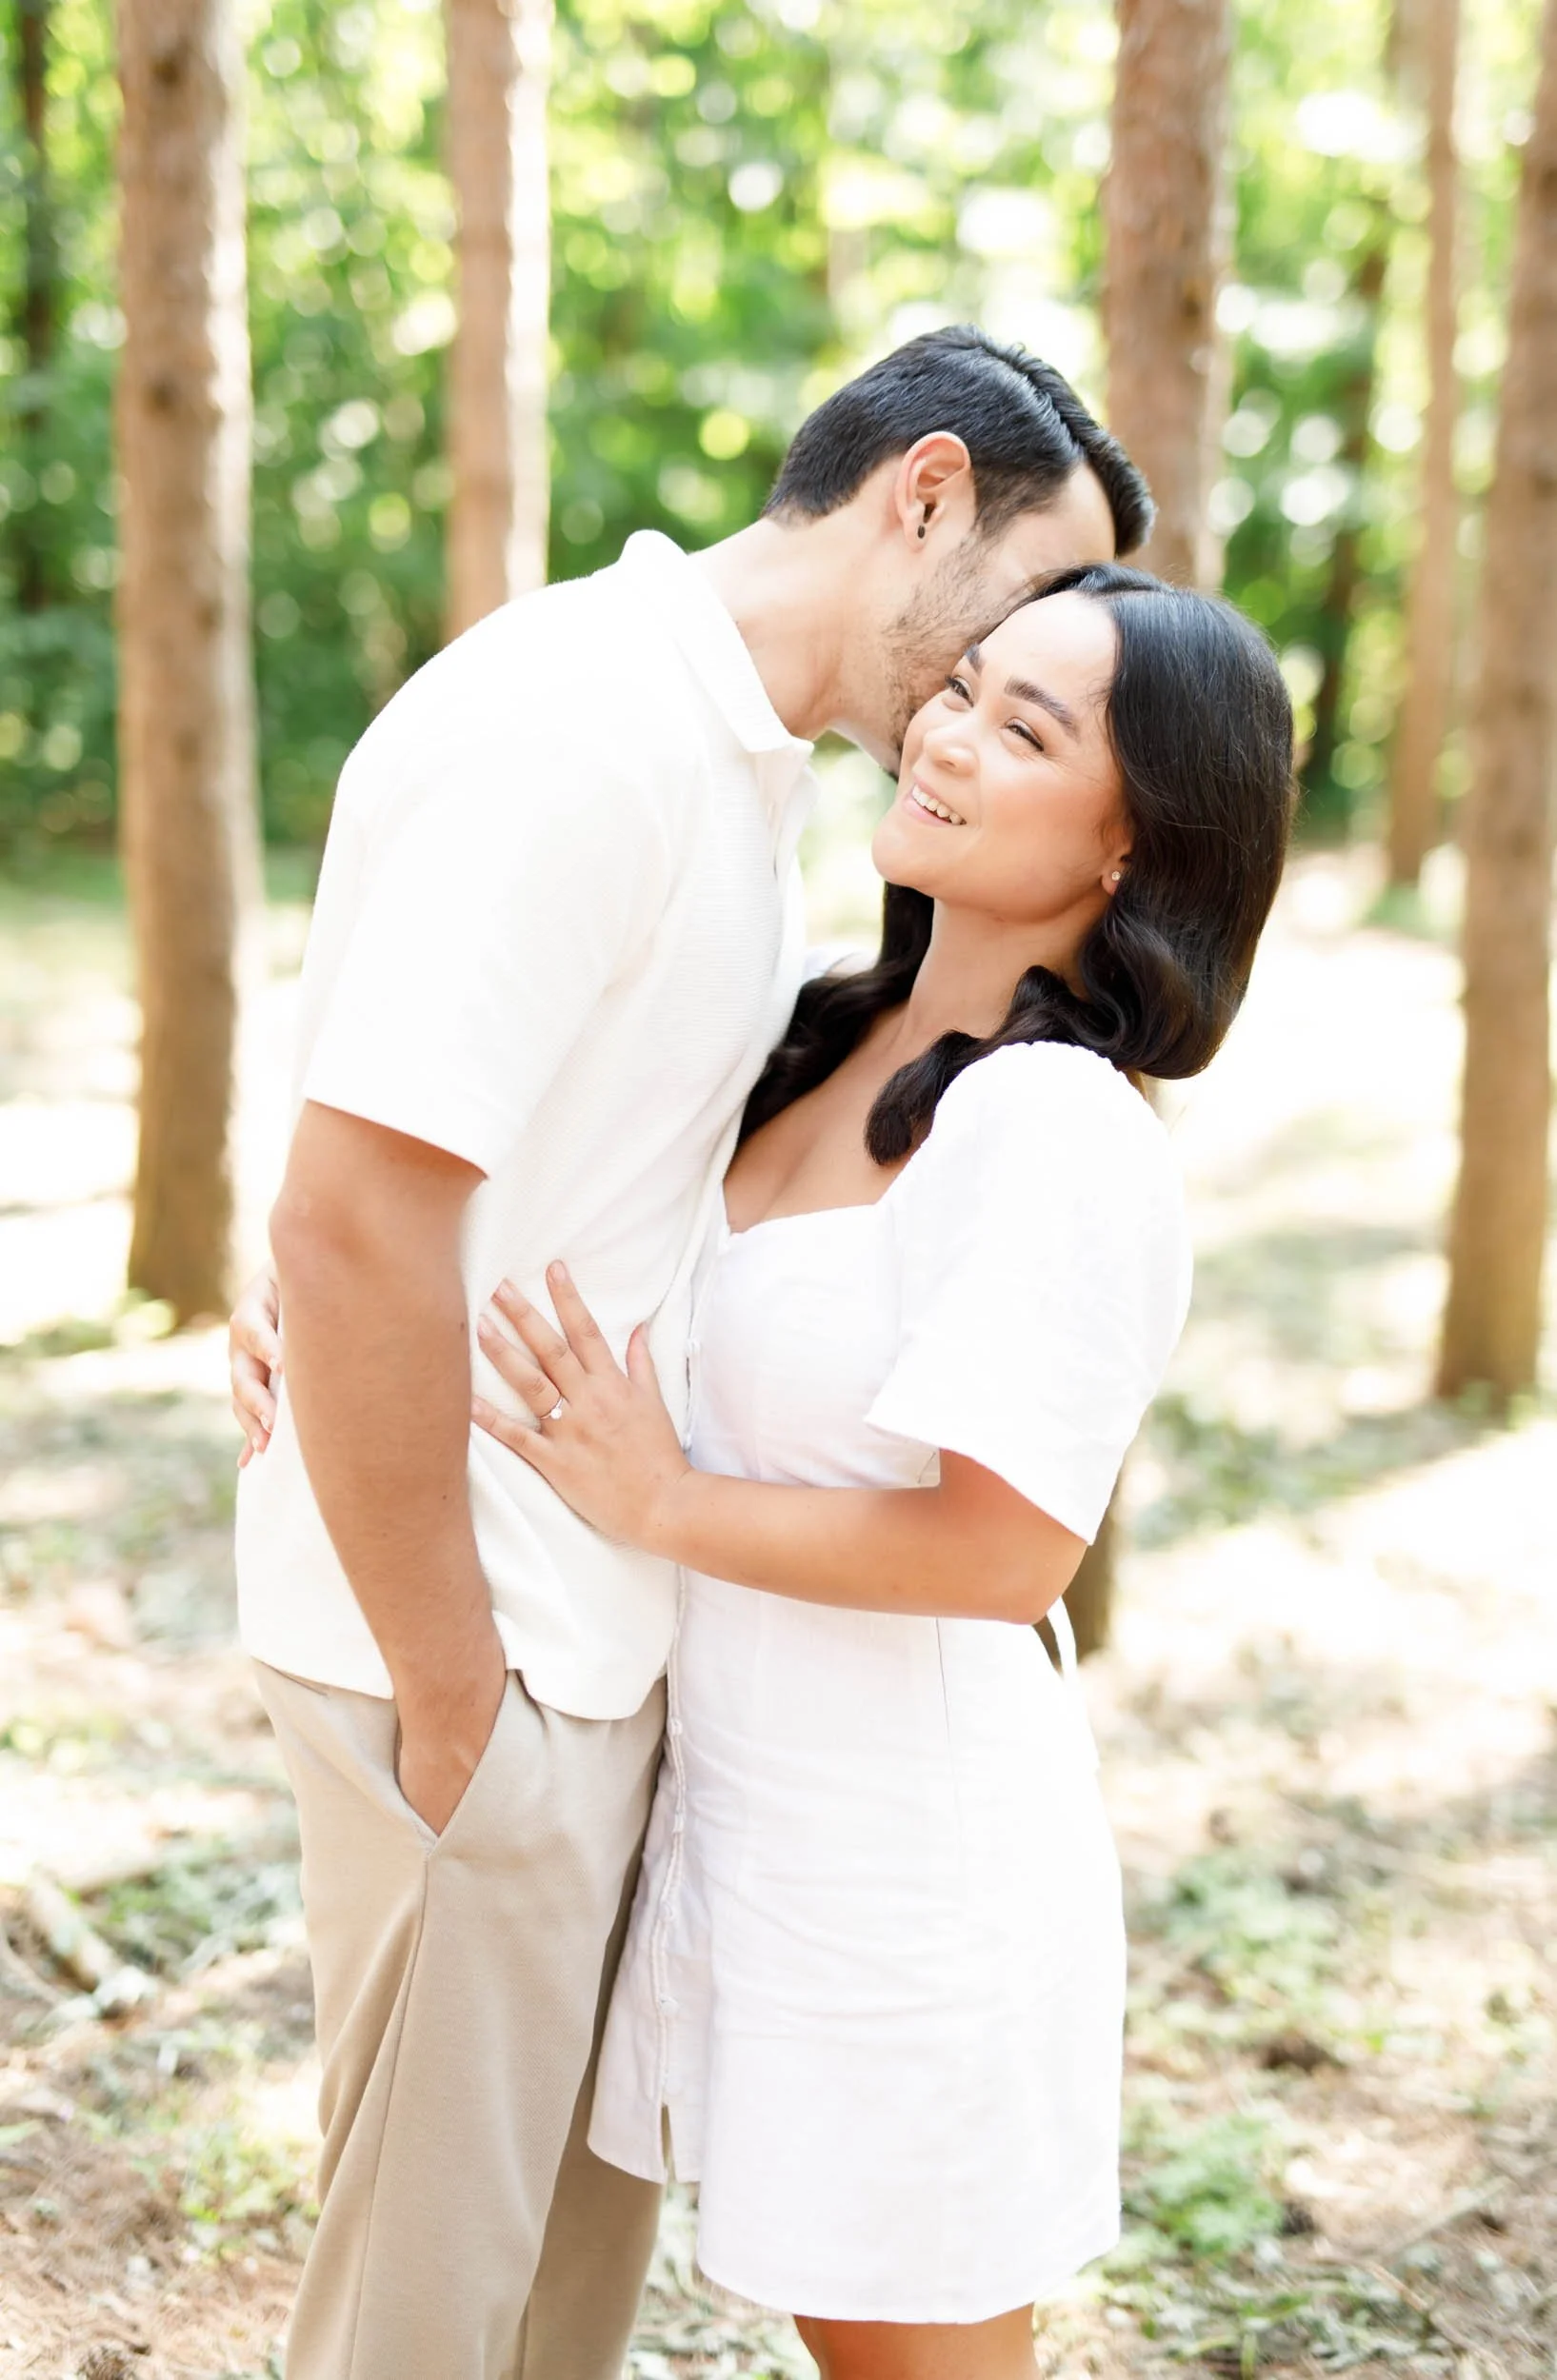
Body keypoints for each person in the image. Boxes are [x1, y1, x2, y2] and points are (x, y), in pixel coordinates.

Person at [228, 328, 1152, 2380]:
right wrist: (461, 1681)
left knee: (535, 2326)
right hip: (483, 1658)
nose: (987, 700)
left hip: (596, 1666)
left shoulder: (732, 782)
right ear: (921, 495)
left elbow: (480, 1147)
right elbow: (357, 1202)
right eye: (1011, 625)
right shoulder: (589, 727)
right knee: (421, 2330)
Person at [465, 565, 1295, 2380]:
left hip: (906, 1865)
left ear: (1129, 847)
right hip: (745, 1819)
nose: (943, 732)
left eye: (1024, 728)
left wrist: (662, 1501)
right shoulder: (826, 1034)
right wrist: (319, 1297)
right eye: (963, 687)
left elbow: (1005, 1555)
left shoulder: (1054, 1129)